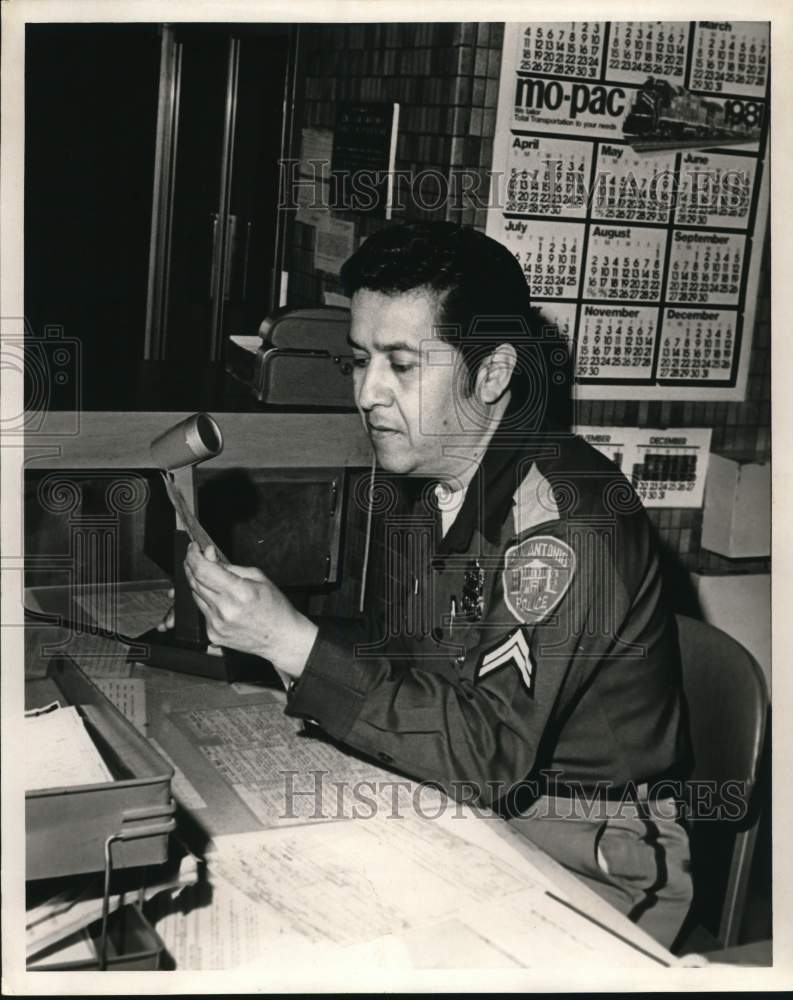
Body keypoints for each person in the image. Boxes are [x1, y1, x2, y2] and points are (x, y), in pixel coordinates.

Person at [180, 221, 693, 948]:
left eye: (401, 364)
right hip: (458, 801)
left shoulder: (565, 524)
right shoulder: (428, 476)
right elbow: (409, 661)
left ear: (491, 374)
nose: (367, 394)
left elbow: (488, 753)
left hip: (590, 846)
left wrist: (292, 643)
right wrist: (271, 641)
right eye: (358, 361)